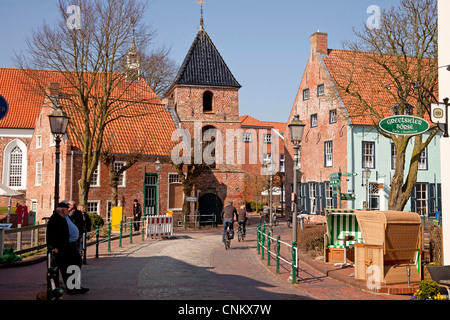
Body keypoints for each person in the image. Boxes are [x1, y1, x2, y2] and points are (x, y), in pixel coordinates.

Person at [46, 201, 89, 294]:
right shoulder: (55, 220)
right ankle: (71, 288)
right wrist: (54, 247)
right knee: (66, 267)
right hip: (62, 247)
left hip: (69, 245)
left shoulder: (63, 218)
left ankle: (76, 286)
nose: (67, 211)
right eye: (66, 209)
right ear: (62, 210)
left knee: (76, 262)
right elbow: (50, 235)